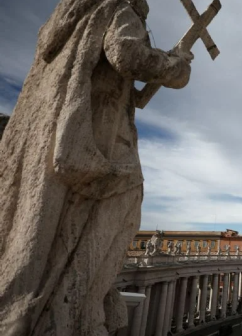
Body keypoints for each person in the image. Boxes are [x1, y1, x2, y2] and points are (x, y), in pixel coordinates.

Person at [0, 0, 192, 335]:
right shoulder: (120, 8)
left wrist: (154, 76)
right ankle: (74, 307)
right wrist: (177, 66)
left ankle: (61, 303)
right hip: (103, 137)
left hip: (70, 129)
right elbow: (126, 55)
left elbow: (125, 87)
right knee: (124, 206)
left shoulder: (72, 16)